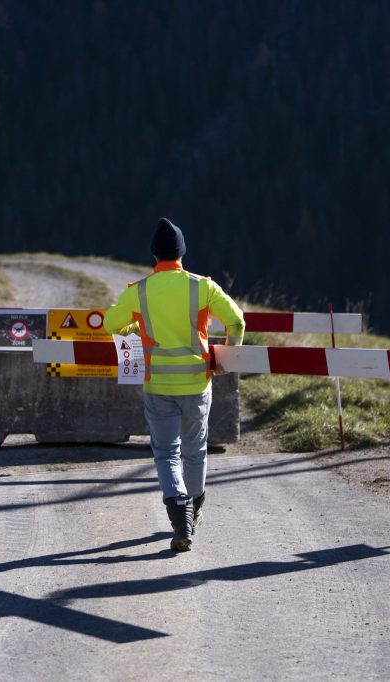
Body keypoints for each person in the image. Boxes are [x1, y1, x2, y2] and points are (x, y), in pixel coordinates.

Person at [104, 218, 245, 552]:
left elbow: (111, 324)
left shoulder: (139, 291)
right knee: (196, 450)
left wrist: (133, 329)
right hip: (197, 382)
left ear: (154, 254)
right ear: (182, 252)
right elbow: (237, 320)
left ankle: (180, 517)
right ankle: (193, 510)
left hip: (158, 384)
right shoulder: (203, 287)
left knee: (167, 453)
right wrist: (225, 360)